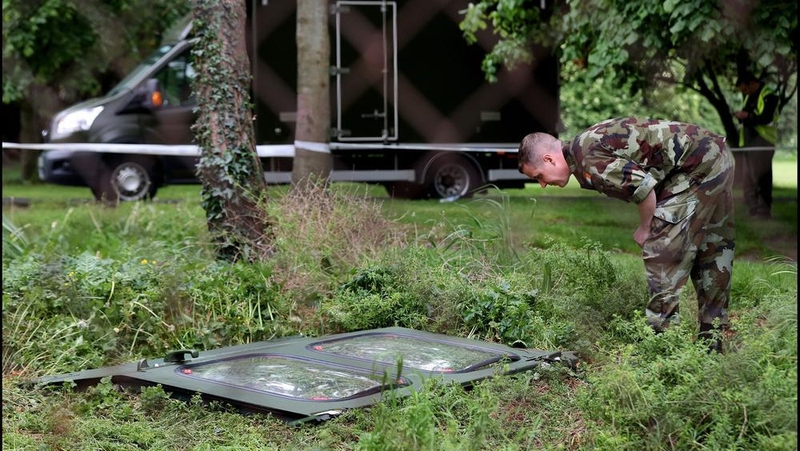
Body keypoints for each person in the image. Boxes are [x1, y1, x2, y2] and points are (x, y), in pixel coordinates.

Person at [517, 117, 735, 352]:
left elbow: (644, 189)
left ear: (549, 159)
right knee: (712, 250)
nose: (542, 184)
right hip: (717, 155)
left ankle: (660, 346)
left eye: (539, 176)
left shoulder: (588, 159)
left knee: (660, 251)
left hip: (698, 165)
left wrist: (645, 229)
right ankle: (712, 342)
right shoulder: (584, 147)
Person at [734, 73, 779, 219]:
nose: (744, 93)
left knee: (762, 177)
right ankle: (753, 209)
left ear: (752, 83)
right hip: (749, 142)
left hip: (763, 141)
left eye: (745, 89)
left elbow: (766, 118)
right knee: (749, 177)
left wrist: (747, 116)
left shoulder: (769, 96)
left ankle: (764, 211)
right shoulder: (750, 96)